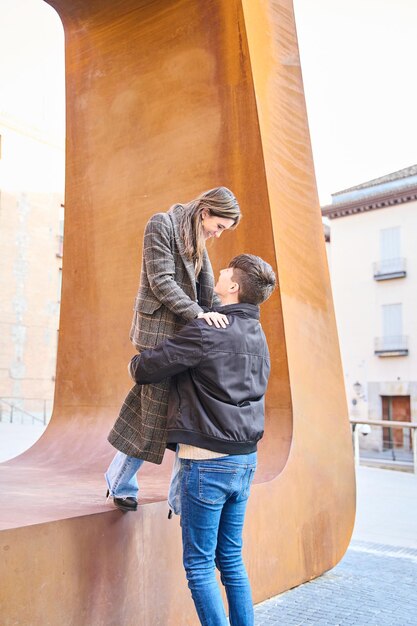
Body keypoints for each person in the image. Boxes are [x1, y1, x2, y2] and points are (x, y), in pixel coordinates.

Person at [129, 254, 276, 626]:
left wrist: (134, 363)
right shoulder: (257, 335)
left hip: (207, 461)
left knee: (198, 565)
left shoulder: (210, 330)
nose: (219, 273)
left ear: (233, 287)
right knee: (230, 559)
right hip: (245, 461)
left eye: (225, 272)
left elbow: (149, 367)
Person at [106, 187, 241, 511]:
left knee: (182, 416)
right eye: (219, 226)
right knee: (153, 413)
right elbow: (161, 281)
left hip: (185, 337)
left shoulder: (197, 239)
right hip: (157, 334)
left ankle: (165, 495)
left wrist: (228, 320)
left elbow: (205, 290)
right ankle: (125, 484)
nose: (218, 234)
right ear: (206, 211)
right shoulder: (161, 224)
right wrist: (200, 314)